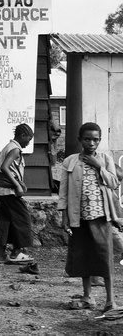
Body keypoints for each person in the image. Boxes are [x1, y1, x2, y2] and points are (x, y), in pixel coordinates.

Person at [59, 122, 121, 312]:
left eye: (95, 139)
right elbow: (64, 191)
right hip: (79, 218)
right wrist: (64, 216)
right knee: (84, 257)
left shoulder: (105, 158)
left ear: (99, 140)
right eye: (87, 139)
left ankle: (110, 301)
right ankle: (87, 297)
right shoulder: (70, 161)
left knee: (104, 257)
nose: (91, 143)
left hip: (101, 217)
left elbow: (114, 183)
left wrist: (98, 166)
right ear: (80, 140)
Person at [0, 123, 35, 264]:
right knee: (22, 219)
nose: (29, 142)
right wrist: (16, 185)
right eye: (28, 139)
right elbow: (5, 167)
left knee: (4, 221)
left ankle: (1, 254)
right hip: (7, 191)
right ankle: (16, 252)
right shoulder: (15, 149)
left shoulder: (8, 147)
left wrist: (20, 182)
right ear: (22, 136)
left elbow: (13, 170)